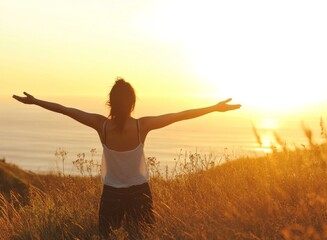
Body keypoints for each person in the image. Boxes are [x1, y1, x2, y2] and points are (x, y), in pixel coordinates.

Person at [13, 78, 241, 239]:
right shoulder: (142, 126)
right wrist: (214, 108)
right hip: (140, 192)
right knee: (142, 235)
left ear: (110, 102)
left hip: (112, 193)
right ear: (132, 103)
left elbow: (66, 110)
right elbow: (180, 115)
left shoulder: (101, 125)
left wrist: (36, 101)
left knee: (106, 236)